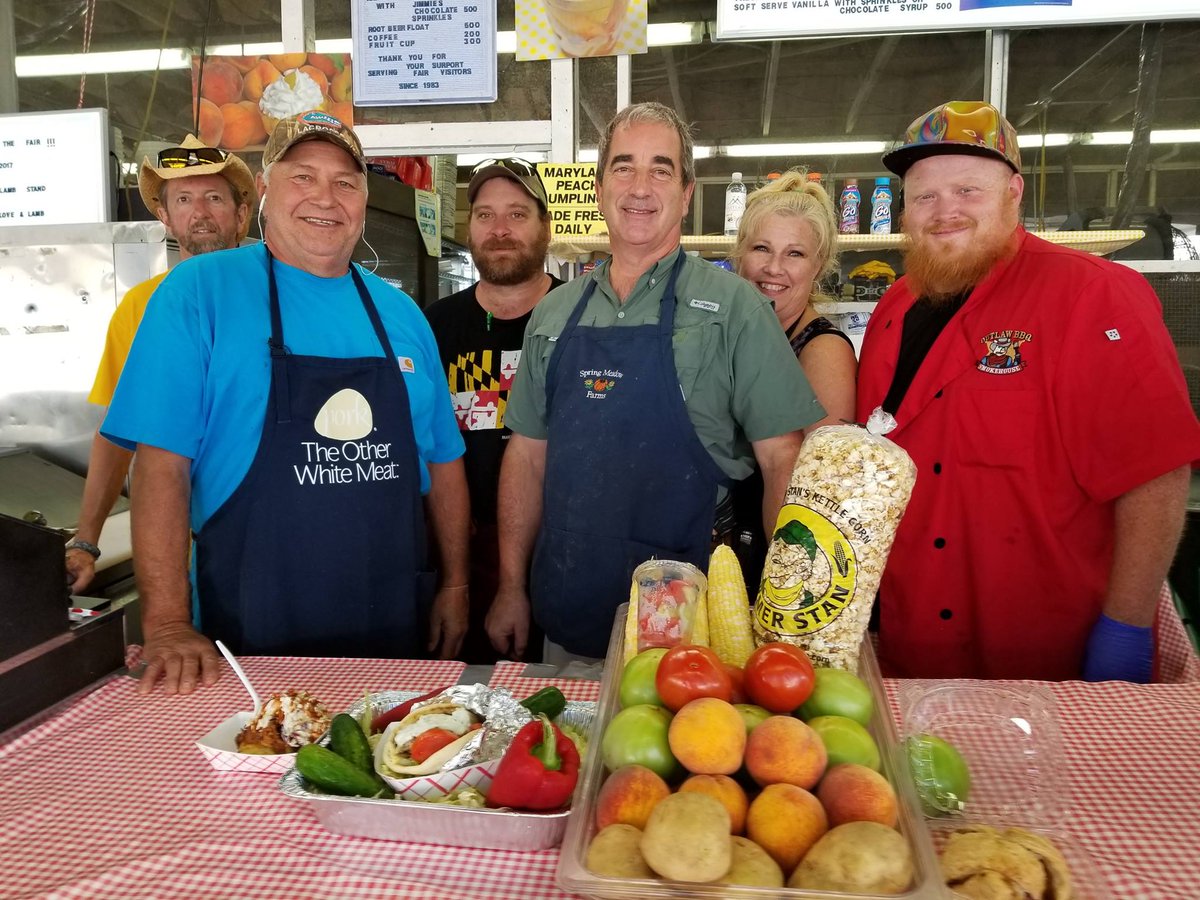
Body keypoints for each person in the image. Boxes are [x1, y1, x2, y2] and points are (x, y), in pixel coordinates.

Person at [102, 110, 469, 694]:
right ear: (266, 192)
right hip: (250, 634)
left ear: (363, 201)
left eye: (345, 182)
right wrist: (168, 622)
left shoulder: (401, 316)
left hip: (390, 627)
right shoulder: (200, 293)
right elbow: (160, 467)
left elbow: (444, 463)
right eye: (303, 177)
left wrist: (455, 585)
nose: (326, 197)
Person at [856, 99, 1200, 681]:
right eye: (925, 197)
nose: (945, 212)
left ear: (1014, 193)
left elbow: (1156, 473)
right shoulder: (895, 305)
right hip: (913, 636)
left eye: (968, 190)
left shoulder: (1091, 295)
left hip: (1042, 648)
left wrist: (1128, 623)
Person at [487, 102, 824, 663]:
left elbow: (782, 461)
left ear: (687, 193)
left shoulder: (735, 308)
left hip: (694, 631)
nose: (640, 187)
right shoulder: (555, 313)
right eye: (624, 166)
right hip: (567, 608)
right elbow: (525, 456)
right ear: (599, 187)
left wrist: (788, 613)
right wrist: (510, 585)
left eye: (661, 169)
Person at [65, 137, 253, 593]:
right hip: (174, 552)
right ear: (164, 216)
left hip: (264, 536)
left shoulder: (276, 295)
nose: (200, 212)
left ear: (242, 214)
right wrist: (86, 539)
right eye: (184, 200)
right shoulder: (139, 308)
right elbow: (117, 428)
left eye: (214, 198)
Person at [425, 158, 562, 664]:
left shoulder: (581, 319)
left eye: (517, 214)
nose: (500, 230)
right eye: (484, 215)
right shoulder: (434, 326)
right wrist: (452, 580)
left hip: (562, 554)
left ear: (546, 226)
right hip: (465, 554)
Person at [728, 169, 859, 588]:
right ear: (739, 254)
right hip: (719, 553)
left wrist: (790, 584)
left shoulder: (824, 351)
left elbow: (817, 492)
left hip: (775, 561)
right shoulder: (734, 334)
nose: (773, 268)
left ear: (818, 264)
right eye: (761, 248)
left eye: (795, 254)